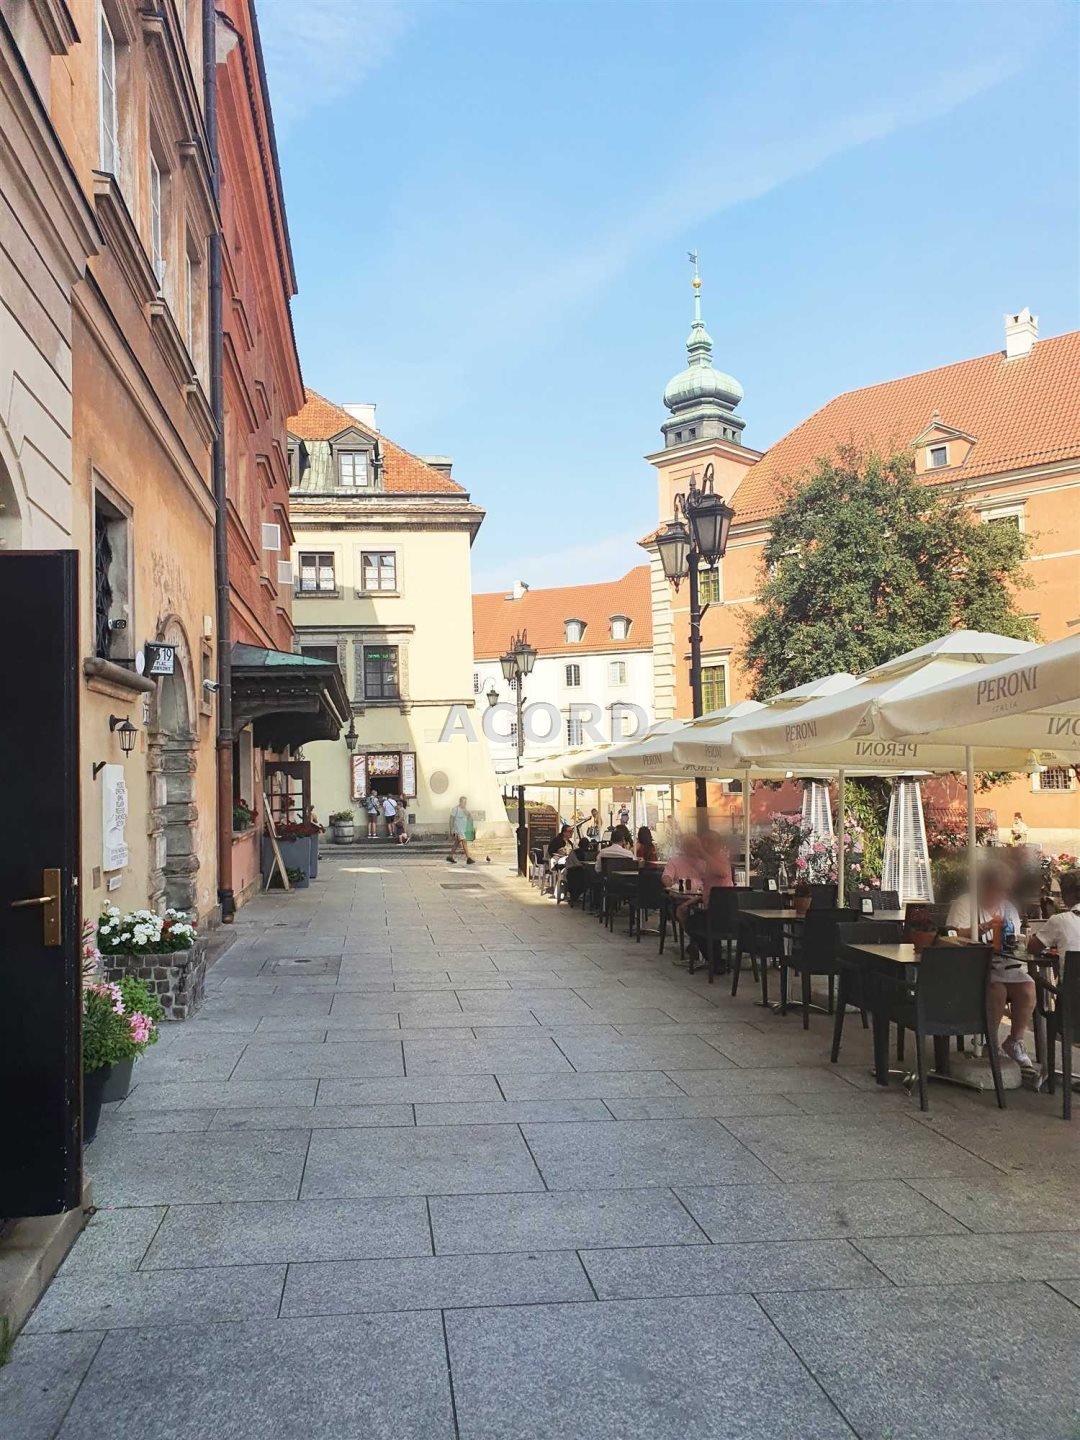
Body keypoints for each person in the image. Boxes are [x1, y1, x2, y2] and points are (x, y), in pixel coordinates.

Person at [946, 863, 1036, 1069]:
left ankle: (1015, 1041)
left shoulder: (1009, 908)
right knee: (996, 990)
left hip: (1004, 964)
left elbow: (1015, 939)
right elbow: (950, 934)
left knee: (1028, 988)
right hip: (971, 967)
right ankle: (989, 1042)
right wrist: (981, 928)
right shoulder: (965, 903)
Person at [1029, 869, 1080, 958]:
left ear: (1069, 893)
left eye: (1062, 892)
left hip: (1070, 971)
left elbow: (1032, 948)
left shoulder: (1060, 920)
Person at [447, 796, 474, 864]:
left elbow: (469, 818)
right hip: (458, 830)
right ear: (460, 802)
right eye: (464, 802)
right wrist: (451, 829)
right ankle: (468, 858)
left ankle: (450, 856)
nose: (465, 804)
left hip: (463, 829)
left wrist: (469, 814)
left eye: (466, 802)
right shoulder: (455, 809)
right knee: (464, 842)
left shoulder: (465, 810)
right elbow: (451, 819)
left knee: (457, 843)